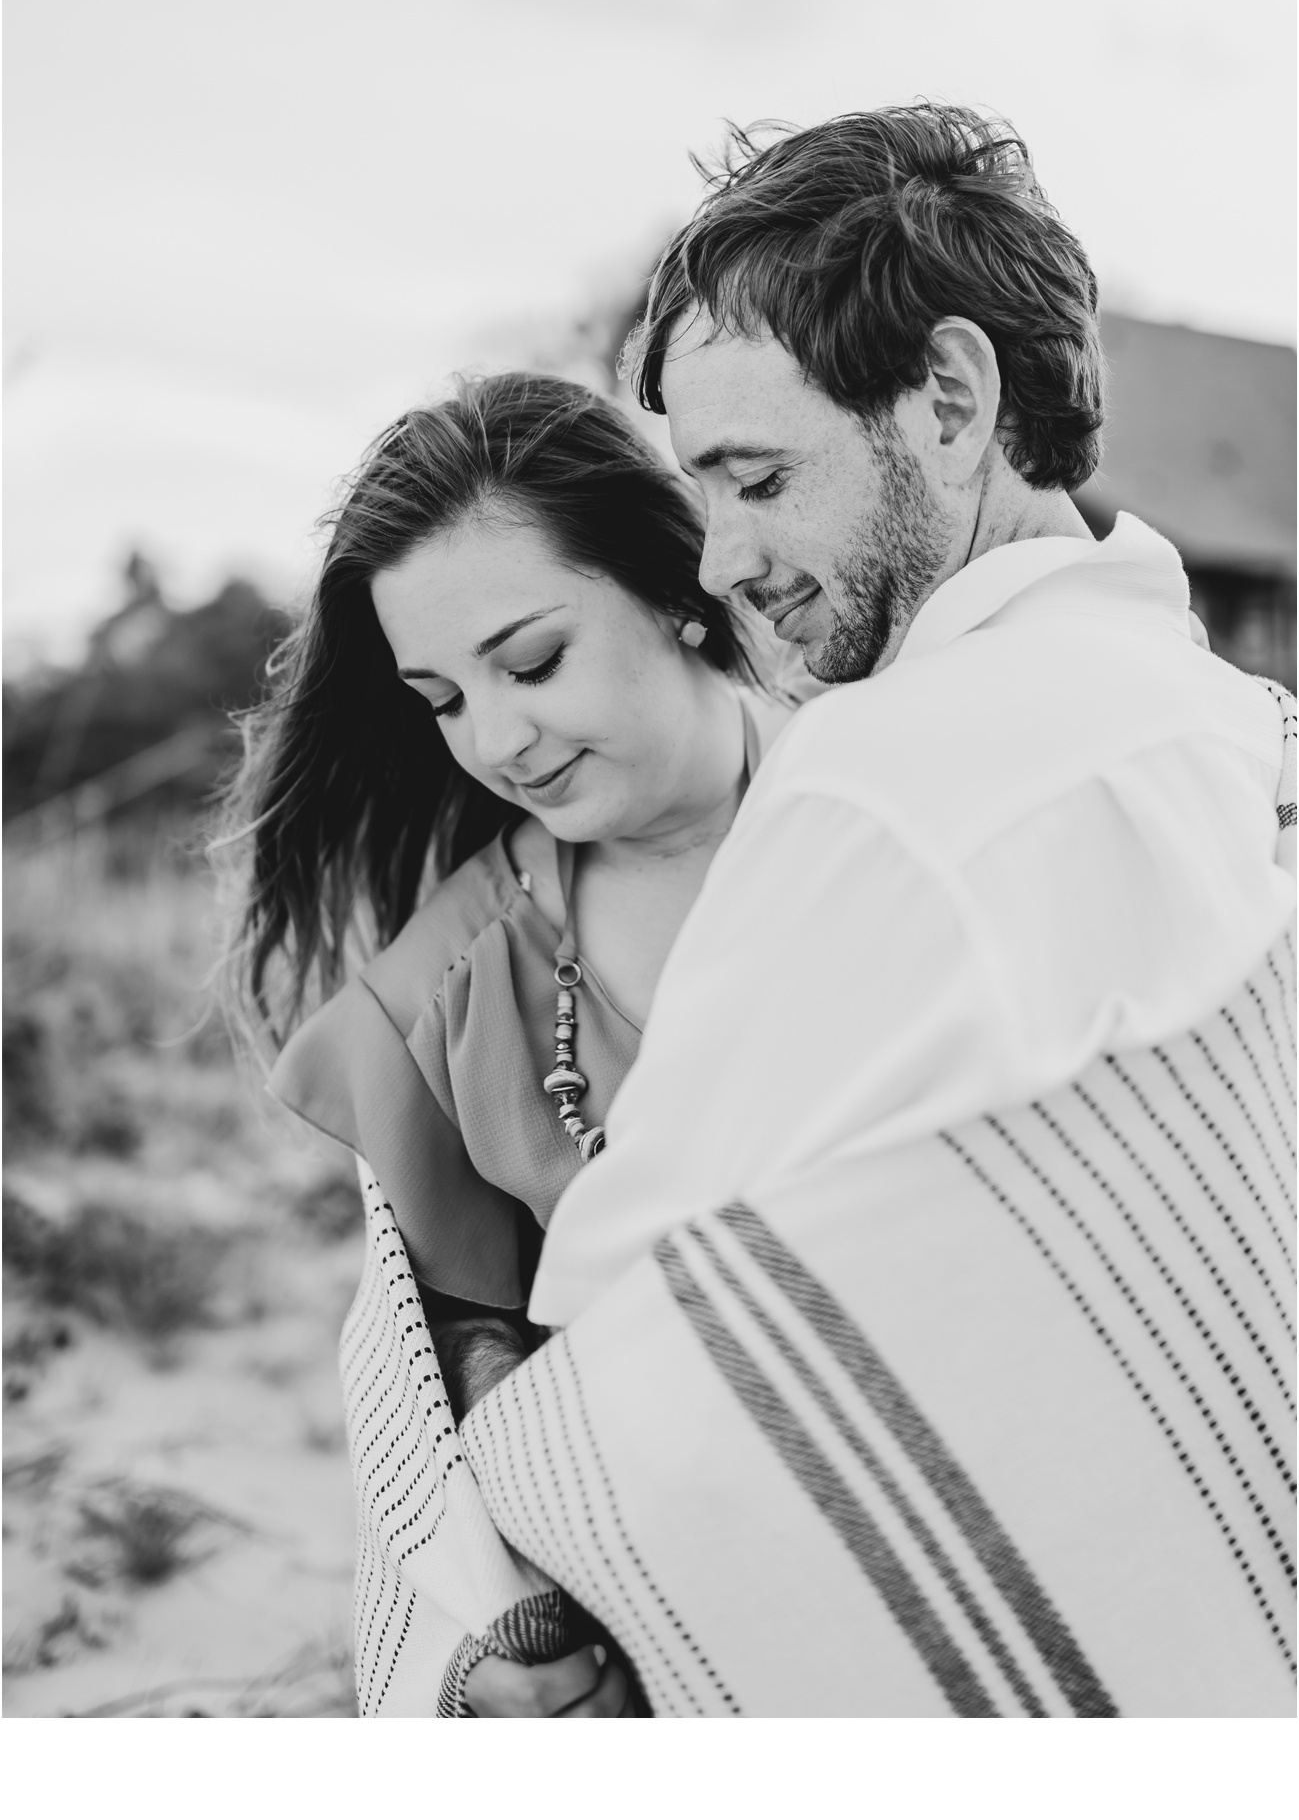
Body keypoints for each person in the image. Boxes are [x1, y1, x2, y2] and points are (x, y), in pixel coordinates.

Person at [446, 106, 1296, 1715]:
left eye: (759, 479)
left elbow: (628, 1335)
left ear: (953, 403)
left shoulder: (878, 786)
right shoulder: (1241, 732)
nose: (719, 560)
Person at [218, 370, 791, 1715]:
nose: (499, 739)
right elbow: (453, 1345)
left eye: (530, 663)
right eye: (442, 697)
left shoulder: (917, 808)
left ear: (677, 583)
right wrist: (517, 1625)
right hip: (666, 1614)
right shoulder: (450, 993)